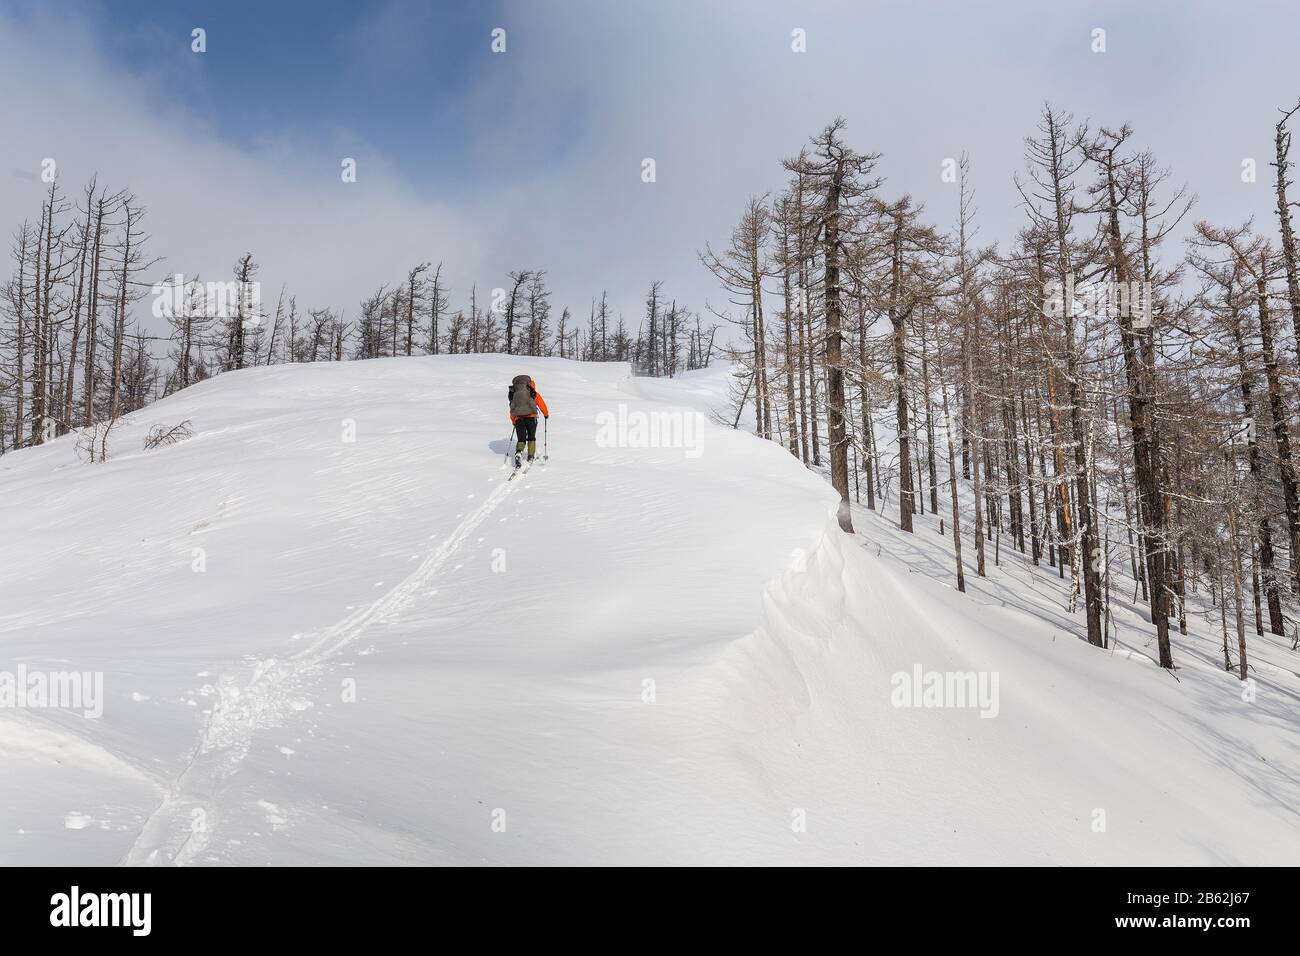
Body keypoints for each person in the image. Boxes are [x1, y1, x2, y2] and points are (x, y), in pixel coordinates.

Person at [508, 373, 549, 467]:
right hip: (531, 418)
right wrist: (546, 414)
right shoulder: (532, 392)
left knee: (521, 438)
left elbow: (512, 408)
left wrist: (514, 421)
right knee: (531, 436)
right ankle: (530, 456)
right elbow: (541, 403)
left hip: (519, 419)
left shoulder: (514, 393)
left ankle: (518, 453)